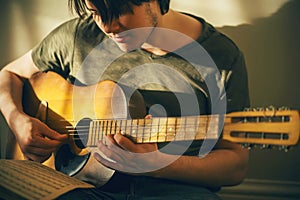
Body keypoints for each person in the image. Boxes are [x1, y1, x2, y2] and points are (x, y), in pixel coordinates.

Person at [0, 0, 250, 199]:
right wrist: (18, 120)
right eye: (97, 12)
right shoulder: (79, 35)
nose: (108, 28)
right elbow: (8, 74)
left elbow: (235, 165)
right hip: (82, 187)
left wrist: (157, 165)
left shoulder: (220, 56)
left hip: (173, 190)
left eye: (119, 11)